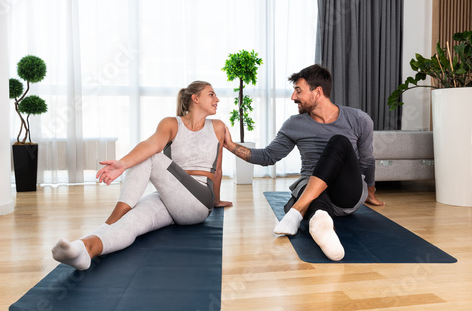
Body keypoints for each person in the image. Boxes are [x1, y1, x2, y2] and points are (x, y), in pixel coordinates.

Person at [52, 80, 232, 270]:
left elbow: (217, 170)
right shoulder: (171, 123)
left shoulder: (218, 126)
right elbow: (152, 143)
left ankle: (112, 219)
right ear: (195, 98)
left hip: (199, 202)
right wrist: (122, 163)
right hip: (170, 197)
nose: (217, 99)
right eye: (211, 94)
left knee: (151, 158)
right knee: (133, 222)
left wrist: (216, 201)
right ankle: (85, 249)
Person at [224, 64, 384, 261]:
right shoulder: (295, 124)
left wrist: (370, 192)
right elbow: (268, 156)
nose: (293, 97)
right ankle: (322, 224)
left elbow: (367, 159)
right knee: (315, 198)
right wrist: (230, 145)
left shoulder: (359, 119)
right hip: (314, 193)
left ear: (318, 92)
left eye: (298, 91)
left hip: (346, 193)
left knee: (339, 141)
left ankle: (296, 212)